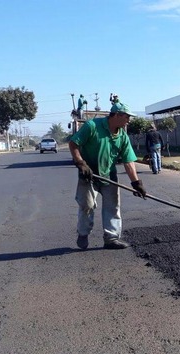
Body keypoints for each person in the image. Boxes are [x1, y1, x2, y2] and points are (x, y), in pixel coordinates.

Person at [69, 101, 147, 250]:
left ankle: (111, 238)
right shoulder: (92, 126)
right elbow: (73, 144)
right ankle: (83, 233)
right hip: (89, 174)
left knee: (113, 207)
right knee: (87, 206)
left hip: (109, 175)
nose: (128, 121)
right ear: (117, 115)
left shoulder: (122, 136)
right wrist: (80, 163)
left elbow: (129, 161)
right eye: (126, 117)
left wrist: (136, 183)